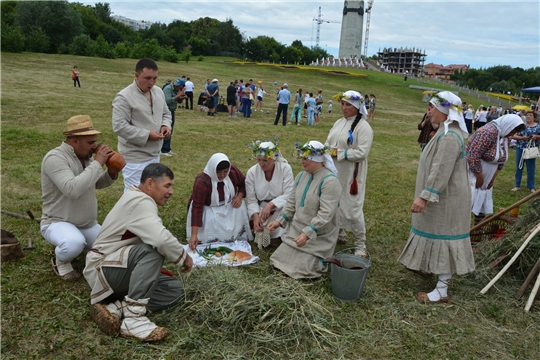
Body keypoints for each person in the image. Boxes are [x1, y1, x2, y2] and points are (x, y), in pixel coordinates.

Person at [84, 163, 193, 342]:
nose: (171, 191)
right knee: (152, 251)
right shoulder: (140, 201)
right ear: (150, 183)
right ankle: (133, 320)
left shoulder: (137, 197)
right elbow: (160, 239)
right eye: (167, 185)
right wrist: (185, 258)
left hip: (116, 268)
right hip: (102, 269)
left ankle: (117, 308)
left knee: (174, 289)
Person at [398, 91, 475, 303]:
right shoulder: (443, 131)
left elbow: (441, 170)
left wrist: (424, 196)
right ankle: (428, 266)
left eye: (432, 107)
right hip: (441, 196)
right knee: (433, 230)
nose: (428, 111)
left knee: (444, 235)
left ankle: (442, 289)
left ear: (445, 111)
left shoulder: (450, 137)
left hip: (446, 199)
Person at [41, 115, 118, 280]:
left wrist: (111, 171)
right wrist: (98, 163)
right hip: (57, 221)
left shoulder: (86, 158)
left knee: (113, 248)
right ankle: (61, 261)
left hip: (86, 223)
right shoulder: (55, 158)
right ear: (74, 141)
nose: (94, 146)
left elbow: (94, 183)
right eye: (90, 143)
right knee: (73, 243)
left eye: (95, 142)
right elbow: (72, 189)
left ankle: (80, 243)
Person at [267, 141, 341, 279]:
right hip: (297, 230)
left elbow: (326, 214)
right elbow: (291, 202)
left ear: (317, 159)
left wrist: (307, 234)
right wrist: (280, 221)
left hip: (319, 234)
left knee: (305, 269)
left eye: (305, 158)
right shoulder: (301, 176)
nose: (302, 162)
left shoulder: (330, 181)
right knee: (278, 259)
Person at [112, 58, 172, 191]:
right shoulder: (124, 97)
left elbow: (166, 113)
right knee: (134, 196)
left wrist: (166, 126)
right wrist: (147, 134)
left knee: (152, 193)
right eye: (147, 78)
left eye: (155, 78)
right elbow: (119, 126)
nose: (152, 82)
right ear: (136, 75)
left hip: (155, 154)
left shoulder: (159, 92)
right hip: (135, 158)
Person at [326, 90, 373, 257]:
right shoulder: (339, 122)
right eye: (343, 104)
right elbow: (328, 142)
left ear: (358, 107)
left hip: (352, 173)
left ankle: (361, 243)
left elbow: (362, 152)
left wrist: (340, 153)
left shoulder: (364, 127)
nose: (344, 108)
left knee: (352, 207)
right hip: (334, 170)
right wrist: (326, 152)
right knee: (334, 201)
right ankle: (339, 232)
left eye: (348, 105)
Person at [467, 114, 526, 223]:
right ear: (507, 126)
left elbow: (502, 158)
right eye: (512, 132)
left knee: (481, 204)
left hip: (488, 175)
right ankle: (461, 231)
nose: (512, 135)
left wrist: (493, 177)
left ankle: (477, 230)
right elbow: (473, 155)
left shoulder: (505, 135)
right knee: (467, 202)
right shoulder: (488, 132)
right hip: (474, 173)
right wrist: (479, 176)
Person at [187, 153, 253, 250]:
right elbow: (197, 208)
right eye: (218, 172)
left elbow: (244, 184)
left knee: (241, 205)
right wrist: (194, 235)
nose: (222, 175)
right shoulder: (203, 181)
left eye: (225, 171)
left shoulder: (233, 172)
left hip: (229, 205)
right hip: (208, 209)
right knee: (208, 223)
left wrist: (239, 196)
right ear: (212, 170)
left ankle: (235, 234)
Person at [245, 139, 294, 248]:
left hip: (280, 207)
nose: (261, 164)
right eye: (259, 160)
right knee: (255, 219)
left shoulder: (285, 169)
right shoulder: (252, 172)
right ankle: (264, 235)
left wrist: (271, 205)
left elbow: (289, 194)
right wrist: (255, 216)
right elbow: (251, 200)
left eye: (265, 160)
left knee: (287, 209)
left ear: (274, 159)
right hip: (260, 209)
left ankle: (280, 237)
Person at [512, 111, 540, 192]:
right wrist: (522, 138)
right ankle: (517, 185)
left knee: (531, 168)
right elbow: (513, 136)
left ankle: (531, 186)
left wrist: (537, 136)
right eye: (527, 115)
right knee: (519, 167)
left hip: (531, 149)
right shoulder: (521, 126)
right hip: (520, 148)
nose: (528, 117)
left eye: (530, 115)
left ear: (534, 117)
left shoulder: (538, 127)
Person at [160, 79, 185, 157]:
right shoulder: (168, 88)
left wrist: (181, 97)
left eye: (179, 86)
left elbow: (177, 101)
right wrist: (178, 95)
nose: (177, 86)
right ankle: (163, 150)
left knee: (170, 129)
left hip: (171, 111)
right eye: (176, 85)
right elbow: (166, 101)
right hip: (165, 111)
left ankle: (167, 148)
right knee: (166, 129)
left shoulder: (177, 90)